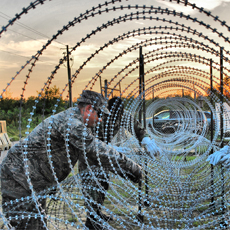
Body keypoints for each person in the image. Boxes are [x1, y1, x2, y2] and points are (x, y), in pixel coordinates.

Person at [1, 90, 142, 230]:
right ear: (88, 109)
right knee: (31, 226)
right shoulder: (72, 124)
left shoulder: (78, 122)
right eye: (99, 114)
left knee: (37, 224)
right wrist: (133, 168)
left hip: (32, 182)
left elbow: (94, 156)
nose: (100, 119)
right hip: (19, 179)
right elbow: (98, 150)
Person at [79, 96, 160, 229]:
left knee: (103, 183)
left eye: (120, 113)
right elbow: (90, 140)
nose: (118, 116)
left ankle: (97, 213)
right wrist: (111, 148)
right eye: (115, 113)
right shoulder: (98, 116)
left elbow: (138, 129)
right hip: (89, 155)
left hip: (104, 155)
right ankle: (91, 220)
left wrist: (146, 139)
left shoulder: (123, 115)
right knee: (91, 186)